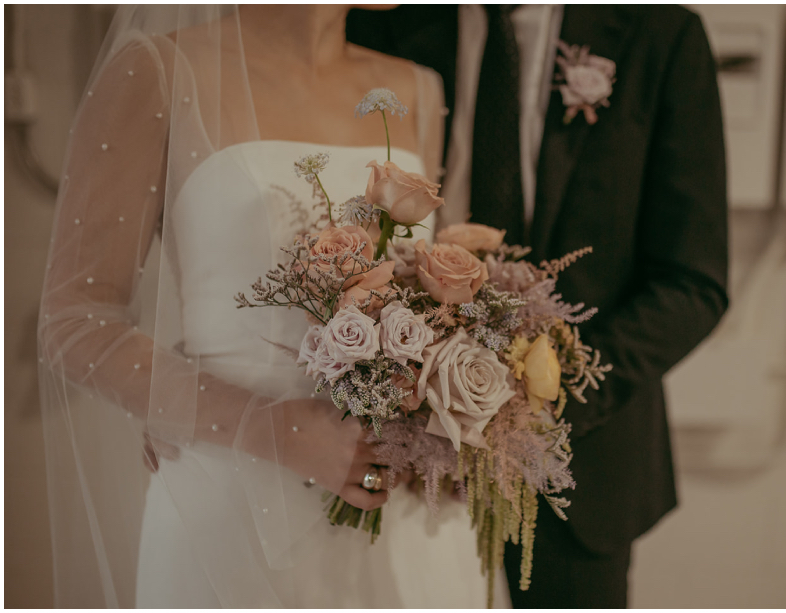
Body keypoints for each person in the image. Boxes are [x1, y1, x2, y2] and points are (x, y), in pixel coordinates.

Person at [37, 5, 488, 607]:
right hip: (232, 506)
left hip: (408, 509)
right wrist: (273, 427)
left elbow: (442, 289)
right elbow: (73, 320)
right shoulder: (159, 70)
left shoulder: (416, 88)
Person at [348, 4, 729, 607]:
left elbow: (693, 281)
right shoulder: (382, 25)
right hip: (402, 456)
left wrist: (529, 405)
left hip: (579, 476)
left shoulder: (657, 33)